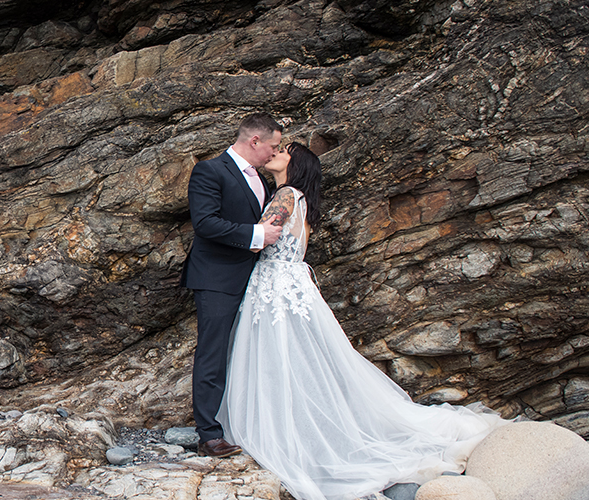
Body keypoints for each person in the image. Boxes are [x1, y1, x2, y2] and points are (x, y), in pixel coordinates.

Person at [218, 142, 507, 500]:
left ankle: (287, 433)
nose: (276, 151)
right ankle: (301, 429)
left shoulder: (285, 195)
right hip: (291, 284)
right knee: (300, 362)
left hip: (276, 287)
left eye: (285, 150)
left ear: (298, 163)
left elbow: (258, 239)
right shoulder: (301, 198)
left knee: (279, 360)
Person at [180, 113, 285, 458]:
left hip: (254, 278)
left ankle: (248, 422)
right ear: (255, 141)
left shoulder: (262, 179)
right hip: (216, 277)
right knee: (213, 353)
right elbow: (206, 223)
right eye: (273, 146)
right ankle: (208, 434)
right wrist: (257, 234)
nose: (274, 153)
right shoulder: (210, 170)